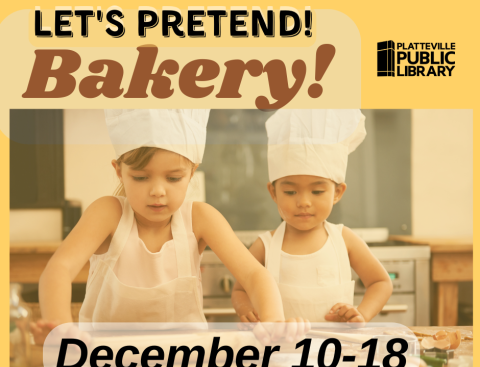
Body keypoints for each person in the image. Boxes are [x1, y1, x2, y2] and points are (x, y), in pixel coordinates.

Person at [31, 109, 309, 344]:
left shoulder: (200, 218)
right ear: (119, 171)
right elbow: (59, 269)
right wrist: (62, 330)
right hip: (108, 363)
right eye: (141, 177)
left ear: (192, 172)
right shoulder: (109, 213)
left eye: (174, 178)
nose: (157, 191)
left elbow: (254, 275)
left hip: (187, 365)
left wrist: (273, 323)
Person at [231, 109, 393, 325]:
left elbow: (381, 282)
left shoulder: (344, 240)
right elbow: (240, 289)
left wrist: (361, 313)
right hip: (281, 352)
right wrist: (247, 310)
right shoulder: (264, 246)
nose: (304, 202)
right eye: (290, 192)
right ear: (273, 193)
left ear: (337, 192)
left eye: (317, 192)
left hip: (336, 352)